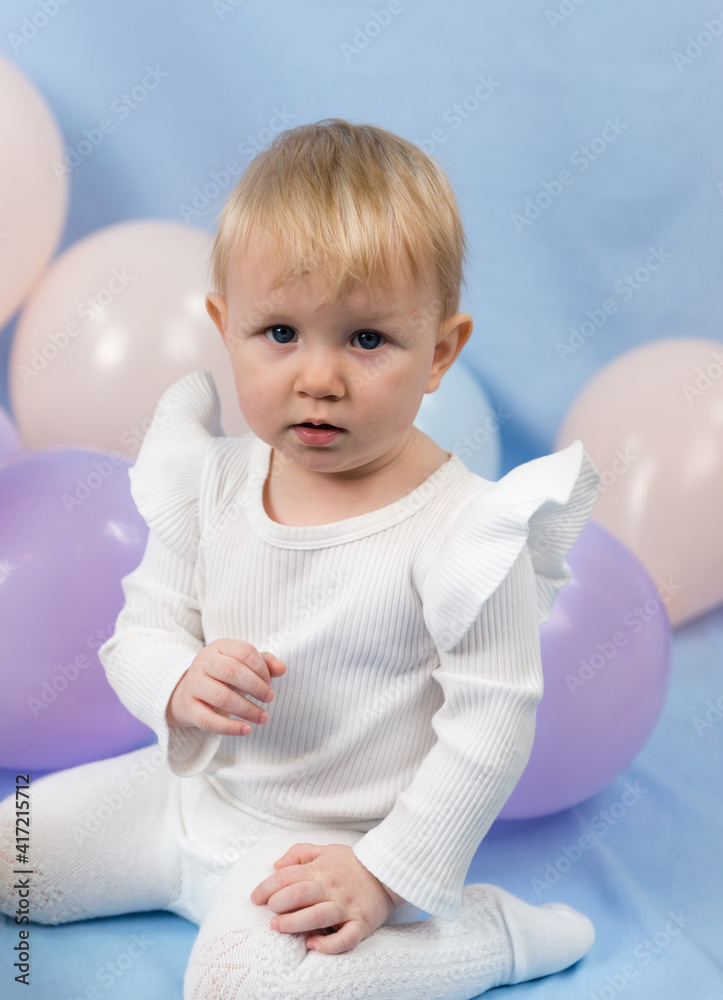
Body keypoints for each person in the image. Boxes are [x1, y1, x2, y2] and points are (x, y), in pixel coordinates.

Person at [0, 118, 600, 999]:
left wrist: (385, 873)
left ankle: (487, 936)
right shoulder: (209, 482)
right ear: (225, 327)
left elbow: (488, 731)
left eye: (366, 340)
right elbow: (145, 627)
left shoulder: (465, 533)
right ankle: (171, 883)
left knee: (243, 985)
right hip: (182, 804)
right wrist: (175, 681)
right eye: (279, 333)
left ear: (439, 352)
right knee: (14, 857)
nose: (318, 378)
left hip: (329, 850)